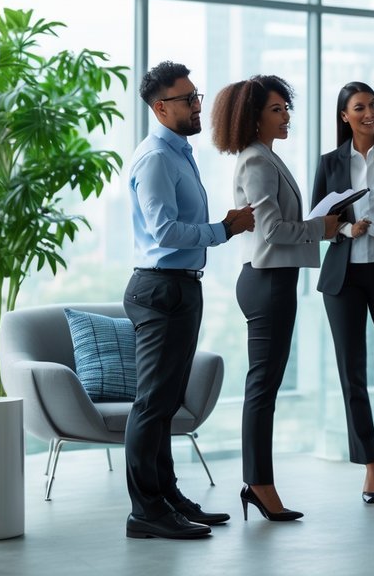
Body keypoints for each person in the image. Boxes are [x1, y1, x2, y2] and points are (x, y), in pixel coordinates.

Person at [124, 61, 255, 541]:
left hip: (179, 285)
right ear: (160, 108)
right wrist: (225, 228)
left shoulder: (178, 151)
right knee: (152, 405)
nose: (199, 105)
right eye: (187, 100)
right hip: (160, 286)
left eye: (197, 95)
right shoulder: (157, 158)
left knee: (166, 401)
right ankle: (146, 511)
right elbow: (163, 231)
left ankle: (168, 497)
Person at [211, 75, 339, 522]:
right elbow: (272, 231)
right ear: (254, 117)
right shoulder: (256, 162)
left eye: (287, 107)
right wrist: (320, 229)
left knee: (265, 385)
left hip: (272, 279)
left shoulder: (267, 157)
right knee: (263, 387)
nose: (286, 116)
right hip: (266, 280)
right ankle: (259, 484)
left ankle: (259, 482)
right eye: (276, 109)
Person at [311, 81, 374, 505]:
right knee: (352, 372)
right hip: (344, 277)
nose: (369, 112)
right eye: (359, 107)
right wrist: (347, 229)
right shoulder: (330, 162)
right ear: (344, 116)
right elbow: (317, 221)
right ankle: (370, 466)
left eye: (373, 105)